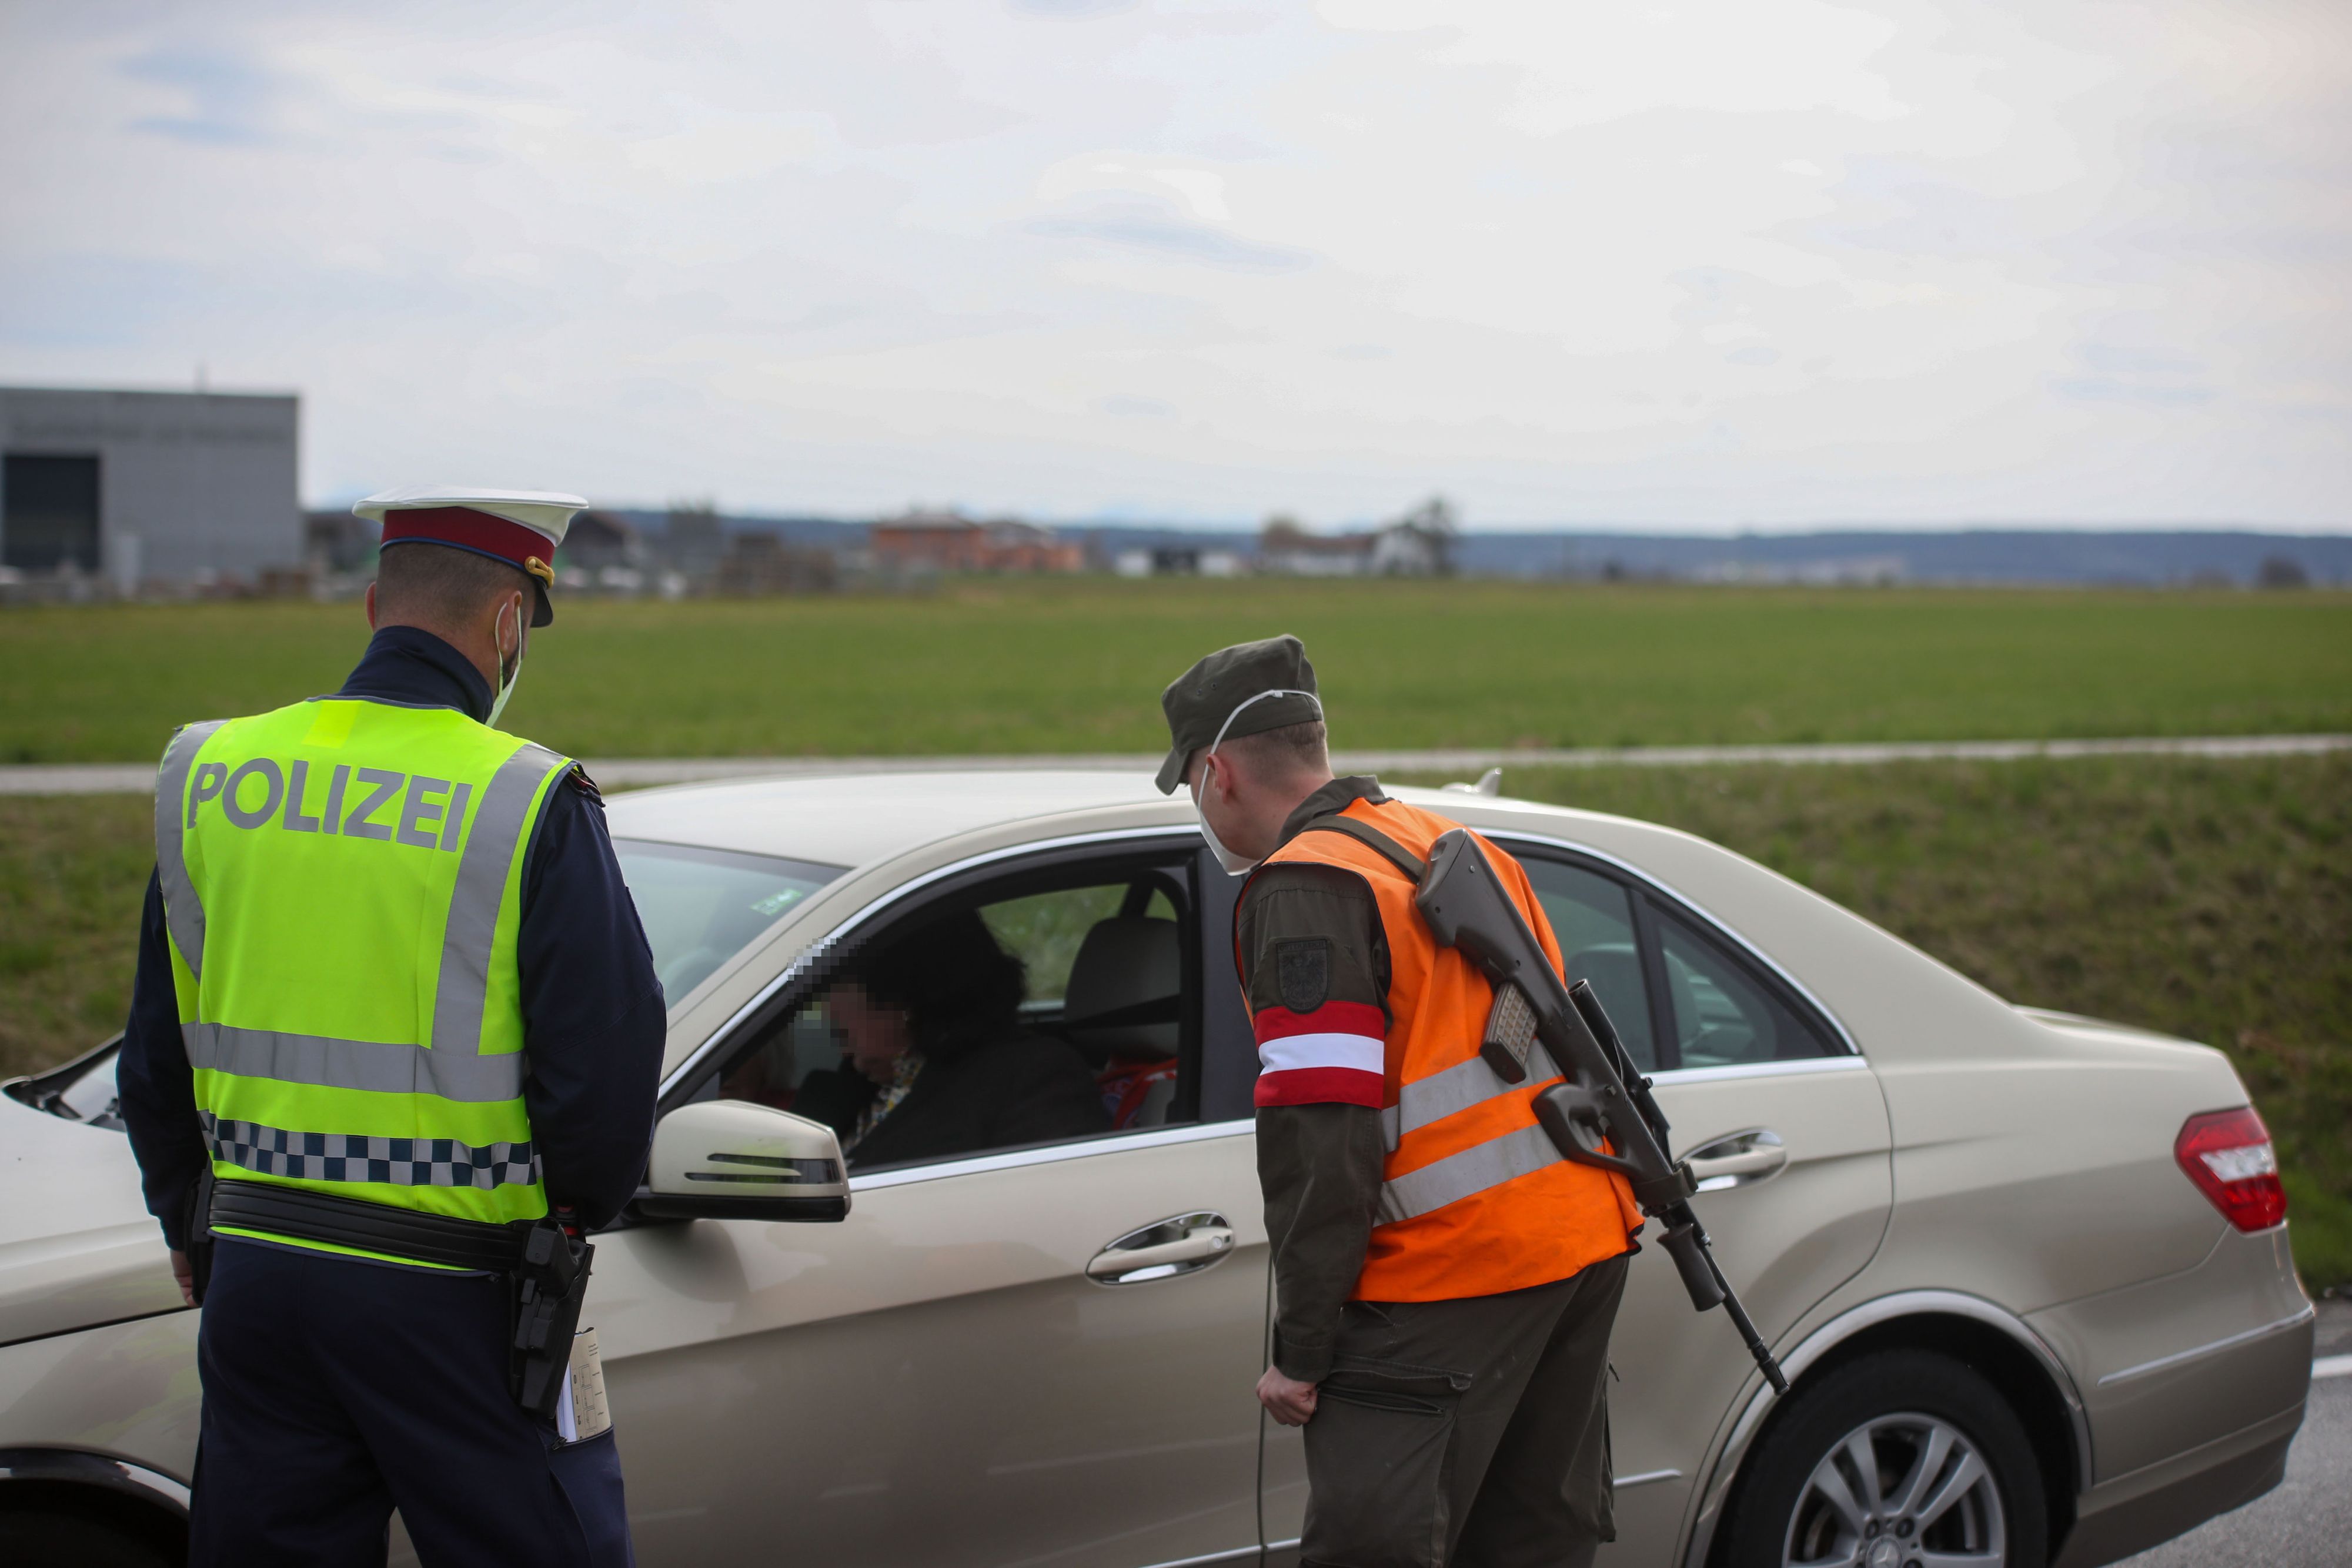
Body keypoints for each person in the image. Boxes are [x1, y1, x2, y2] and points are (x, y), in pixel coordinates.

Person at [116, 485, 666, 1568]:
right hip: (457, 1290)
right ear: (510, 624)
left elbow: (154, 1047)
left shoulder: (212, 775)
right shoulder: (527, 797)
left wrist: (191, 1218)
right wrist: (575, 1217)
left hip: (257, 1272)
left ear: (375, 606)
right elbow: (601, 1075)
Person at [1154, 635, 1644, 1568]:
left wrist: (1301, 1349)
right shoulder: (1449, 845)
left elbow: (1323, 1134)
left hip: (1449, 1278)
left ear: (1217, 772)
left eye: (1187, 784)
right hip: (1576, 1241)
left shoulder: (1307, 887)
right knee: (1532, 1541)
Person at [787, 909, 1109, 1168]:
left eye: (843, 1033)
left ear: (903, 1000)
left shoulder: (1032, 1077)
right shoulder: (851, 1089)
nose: (845, 1051)